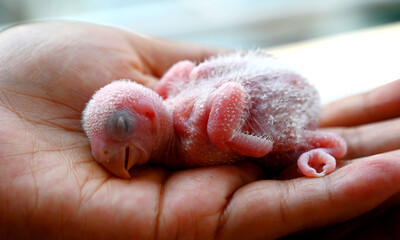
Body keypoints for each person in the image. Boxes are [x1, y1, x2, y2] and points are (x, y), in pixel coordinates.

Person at [0, 21, 399, 240]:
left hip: (282, 100)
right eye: (100, 142)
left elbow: (231, 91)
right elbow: (183, 74)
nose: (106, 155)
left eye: (121, 127)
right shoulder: (170, 109)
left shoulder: (189, 130)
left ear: (149, 113)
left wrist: (228, 136)